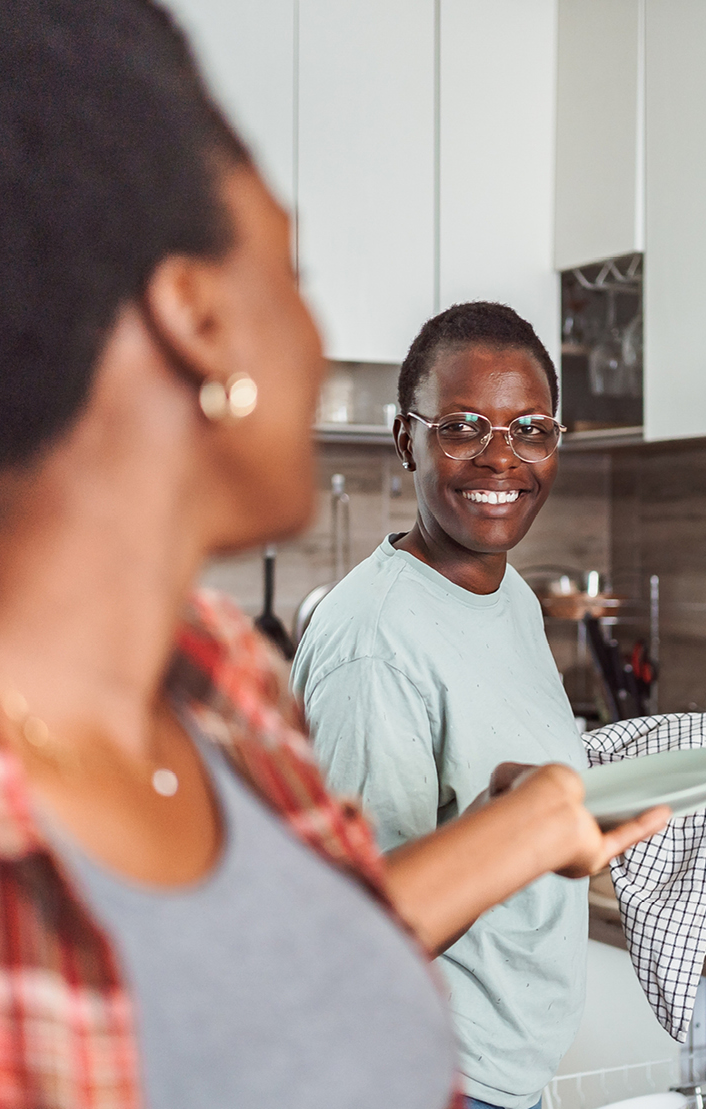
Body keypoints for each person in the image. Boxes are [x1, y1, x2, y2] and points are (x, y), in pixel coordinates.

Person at [0, 3, 667, 1107]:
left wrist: (503, 832)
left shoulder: (222, 685)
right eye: (291, 269)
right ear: (193, 313)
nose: (319, 340)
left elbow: (324, 1026)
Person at [293, 302, 604, 1109]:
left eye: (532, 429)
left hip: (510, 1078)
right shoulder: (375, 643)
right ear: (408, 439)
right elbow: (360, 931)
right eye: (464, 427)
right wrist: (514, 831)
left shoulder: (513, 600)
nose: (503, 460)